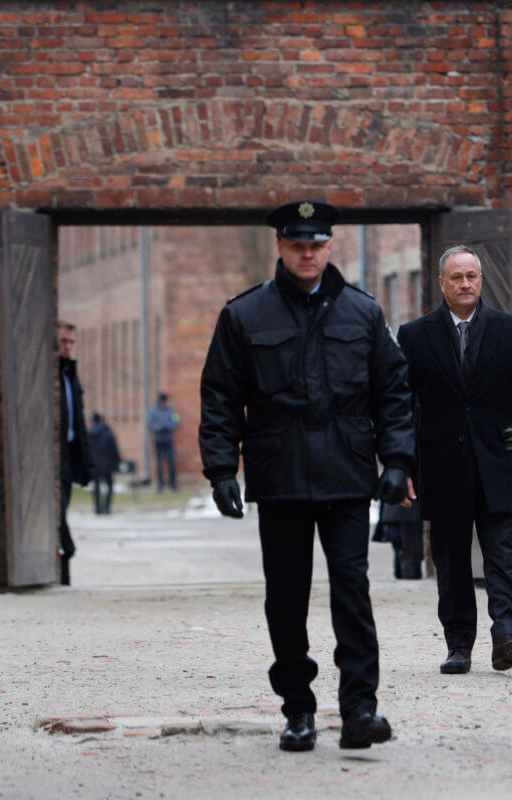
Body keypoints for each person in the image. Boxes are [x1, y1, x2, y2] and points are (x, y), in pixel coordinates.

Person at [198, 200, 415, 753]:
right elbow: (221, 396)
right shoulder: (245, 315)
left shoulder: (362, 314)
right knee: (286, 599)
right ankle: (298, 709)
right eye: (298, 244)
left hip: (345, 474)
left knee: (353, 595)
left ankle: (360, 710)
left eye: (316, 244)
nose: (308, 253)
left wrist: (398, 461)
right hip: (282, 476)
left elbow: (392, 392)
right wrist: (222, 469)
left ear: (330, 245)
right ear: (280, 245)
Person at [397, 245, 512, 675]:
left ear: (480, 280)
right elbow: (402, 406)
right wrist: (401, 465)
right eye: (457, 277)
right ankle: (459, 645)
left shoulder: (509, 329)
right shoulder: (415, 335)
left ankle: (508, 636)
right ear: (442, 283)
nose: (466, 284)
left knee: (502, 550)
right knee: (451, 558)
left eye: (472, 277)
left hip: (497, 460)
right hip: (441, 464)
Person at [57, 321, 93, 586]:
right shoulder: (52, 374)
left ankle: (63, 563)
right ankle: (66, 552)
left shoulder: (70, 373)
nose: (68, 346)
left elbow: (78, 420)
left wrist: (85, 460)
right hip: (50, 456)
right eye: (63, 341)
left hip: (68, 454)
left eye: (71, 342)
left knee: (62, 509)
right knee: (56, 512)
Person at [373, 497, 424, 580]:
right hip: (409, 511)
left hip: (391, 510)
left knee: (401, 547)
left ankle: (402, 574)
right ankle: (408, 575)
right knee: (410, 548)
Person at [87, 412, 121, 515]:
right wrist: (117, 463)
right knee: (109, 486)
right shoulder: (107, 432)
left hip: (94, 464)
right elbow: (114, 449)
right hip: (107, 464)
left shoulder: (88, 433)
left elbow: (86, 449)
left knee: (96, 486)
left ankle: (97, 508)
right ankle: (106, 507)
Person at [146, 392, 179, 492]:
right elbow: (150, 424)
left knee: (171, 463)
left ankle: (173, 484)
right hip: (158, 440)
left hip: (169, 440)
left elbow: (176, 420)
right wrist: (159, 426)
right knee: (159, 464)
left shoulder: (171, 411)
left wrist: (169, 425)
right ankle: (160, 485)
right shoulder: (152, 411)